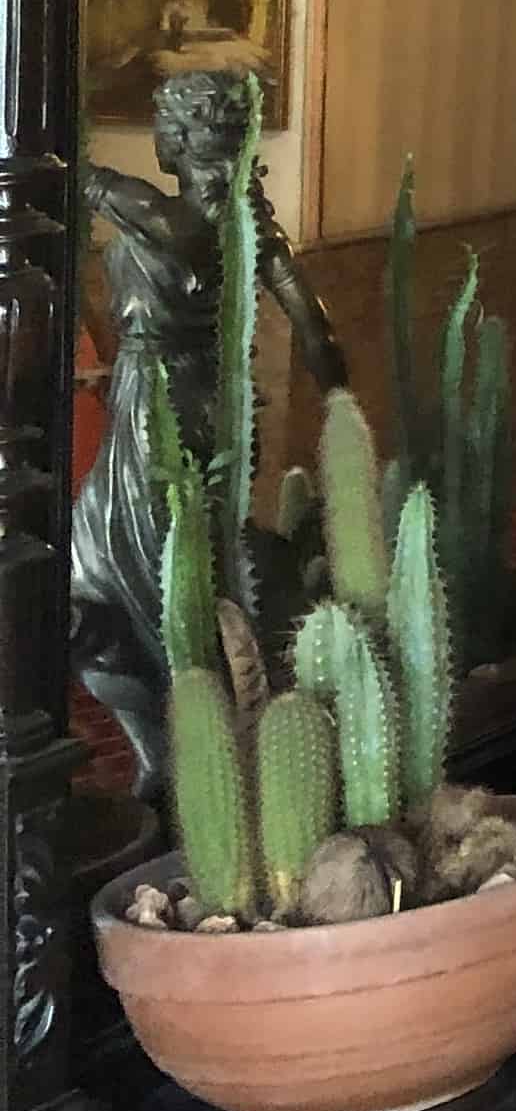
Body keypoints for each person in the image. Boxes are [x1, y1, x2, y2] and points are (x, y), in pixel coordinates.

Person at [74, 70, 342, 794]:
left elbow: (72, 175)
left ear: (178, 141)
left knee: (125, 567)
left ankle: (185, 754)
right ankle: (183, 745)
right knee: (178, 560)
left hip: (153, 401)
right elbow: (316, 327)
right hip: (212, 396)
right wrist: (342, 404)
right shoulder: (248, 222)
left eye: (163, 123)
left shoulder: (167, 219)